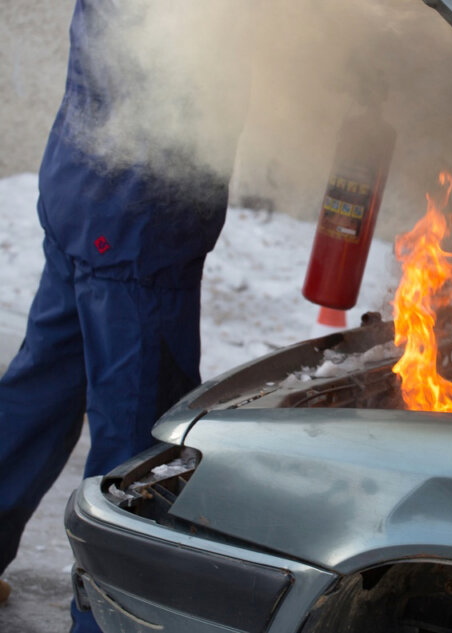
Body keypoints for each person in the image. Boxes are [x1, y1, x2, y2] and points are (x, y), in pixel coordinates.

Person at [0, 2, 238, 631]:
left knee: (41, 385)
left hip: (84, 191)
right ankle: (106, 621)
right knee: (136, 446)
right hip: (139, 223)